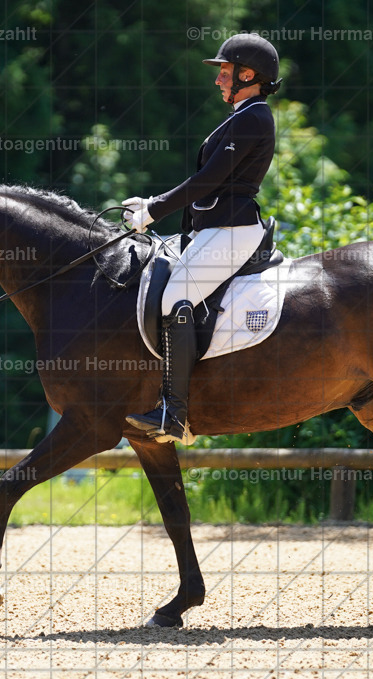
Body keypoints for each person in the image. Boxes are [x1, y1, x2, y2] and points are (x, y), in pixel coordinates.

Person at [123, 33, 281, 442]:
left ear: (248, 75)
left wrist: (154, 209)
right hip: (216, 228)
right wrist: (153, 202)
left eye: (225, 72)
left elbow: (209, 179)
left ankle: (173, 414)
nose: (219, 80)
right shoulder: (243, 115)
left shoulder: (254, 117)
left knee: (177, 297)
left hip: (233, 232)